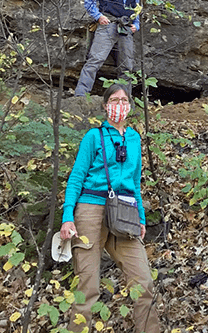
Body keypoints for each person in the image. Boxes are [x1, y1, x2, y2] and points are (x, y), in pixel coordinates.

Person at [59, 84, 159, 333]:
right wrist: (67, 216)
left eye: (124, 100)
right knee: (88, 286)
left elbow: (136, 182)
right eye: (114, 100)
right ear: (105, 106)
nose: (119, 104)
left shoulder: (135, 138)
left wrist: (141, 218)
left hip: (125, 212)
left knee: (144, 282)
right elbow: (76, 178)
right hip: (90, 210)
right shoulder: (94, 137)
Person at [75, 0, 140, 97]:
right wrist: (99, 17)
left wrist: (136, 24)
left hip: (126, 27)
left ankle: (125, 102)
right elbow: (90, 0)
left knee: (126, 67)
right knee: (95, 60)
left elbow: (137, 7)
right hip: (108, 24)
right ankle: (80, 97)